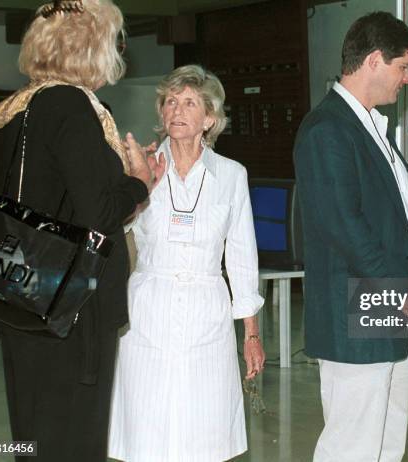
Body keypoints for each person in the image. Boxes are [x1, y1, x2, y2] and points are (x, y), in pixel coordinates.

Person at [0, 1, 159, 461]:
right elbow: (98, 213)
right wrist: (138, 183)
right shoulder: (71, 107)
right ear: (93, 47)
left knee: (30, 437)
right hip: (71, 312)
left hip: (23, 297)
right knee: (73, 442)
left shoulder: (19, 111)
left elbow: (47, 201)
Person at [293, 12, 408, 462]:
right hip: (357, 312)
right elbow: (344, 227)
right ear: (375, 60)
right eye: (403, 67)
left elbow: (406, 214)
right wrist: (401, 292)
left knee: (388, 442)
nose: (407, 79)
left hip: (393, 305)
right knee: (352, 446)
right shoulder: (327, 129)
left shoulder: (375, 127)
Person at [108, 64, 265, 462]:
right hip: (148, 308)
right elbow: (114, 226)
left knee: (204, 427)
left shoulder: (231, 175)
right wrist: (134, 182)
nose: (176, 110)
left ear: (209, 118)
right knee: (146, 424)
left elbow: (243, 254)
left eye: (189, 102)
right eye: (170, 102)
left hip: (206, 309)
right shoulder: (140, 167)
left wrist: (250, 334)